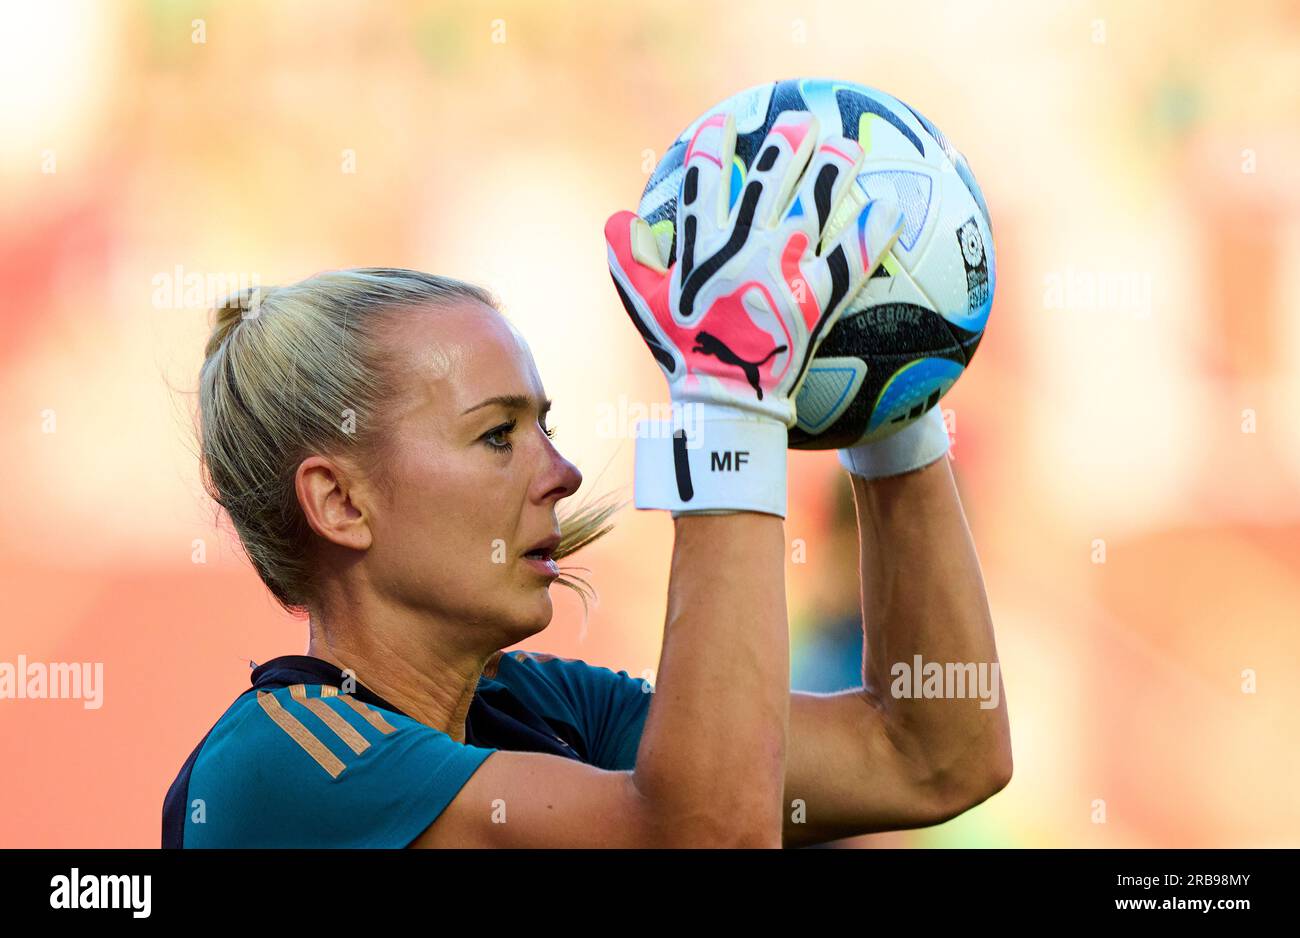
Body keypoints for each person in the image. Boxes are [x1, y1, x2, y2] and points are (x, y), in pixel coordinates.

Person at [163, 109, 1011, 848]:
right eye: (498, 435)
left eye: (546, 426)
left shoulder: (541, 707)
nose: (563, 474)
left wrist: (892, 382)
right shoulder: (280, 761)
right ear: (341, 502)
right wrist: (729, 414)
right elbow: (704, 835)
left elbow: (934, 756)